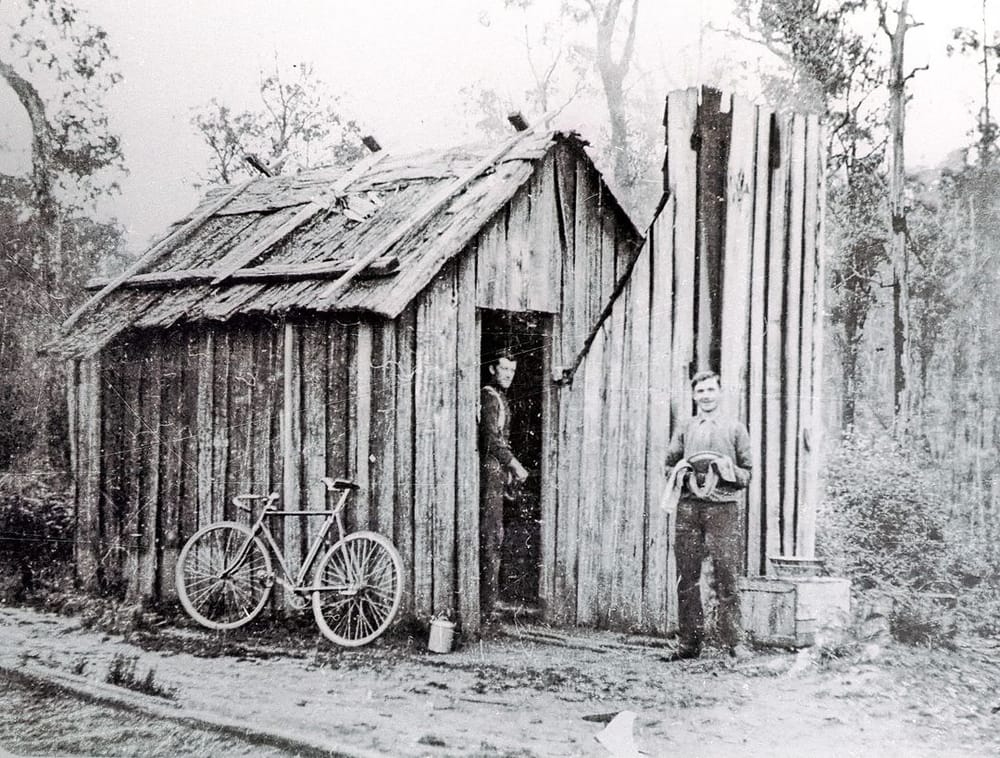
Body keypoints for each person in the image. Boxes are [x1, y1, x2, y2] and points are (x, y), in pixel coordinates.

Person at [663, 370, 752, 659]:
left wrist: (729, 471)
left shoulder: (736, 428)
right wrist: (681, 473)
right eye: (700, 391)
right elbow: (667, 465)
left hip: (723, 507)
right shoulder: (686, 428)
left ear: (720, 392)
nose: (706, 396)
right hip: (688, 509)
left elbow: (747, 474)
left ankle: (735, 643)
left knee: (727, 577)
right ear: (694, 396)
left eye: (711, 390)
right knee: (686, 578)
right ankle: (689, 643)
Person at [479, 351, 529, 616]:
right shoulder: (489, 397)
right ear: (492, 370)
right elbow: (491, 439)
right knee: (491, 535)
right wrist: (515, 465)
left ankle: (492, 600)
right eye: (504, 369)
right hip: (490, 472)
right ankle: (488, 605)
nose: (509, 374)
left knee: (498, 535)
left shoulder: (501, 398)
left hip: (498, 473)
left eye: (513, 370)